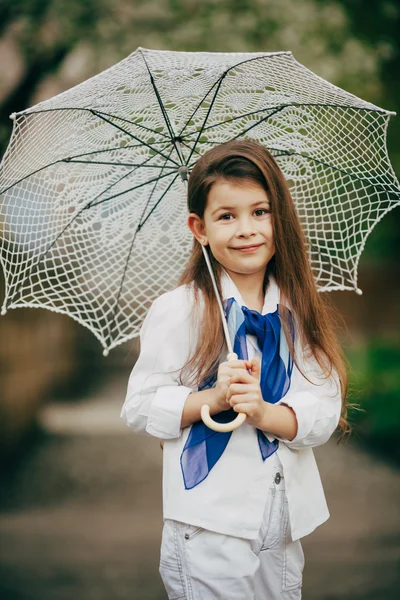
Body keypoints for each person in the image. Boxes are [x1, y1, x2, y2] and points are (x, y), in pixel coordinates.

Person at [120, 139, 349, 600]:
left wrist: (263, 411)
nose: (247, 229)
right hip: (210, 526)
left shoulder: (297, 309)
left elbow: (322, 409)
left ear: (278, 218)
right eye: (227, 216)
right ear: (199, 228)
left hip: (281, 527)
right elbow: (139, 407)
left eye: (260, 212)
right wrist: (211, 399)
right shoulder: (179, 310)